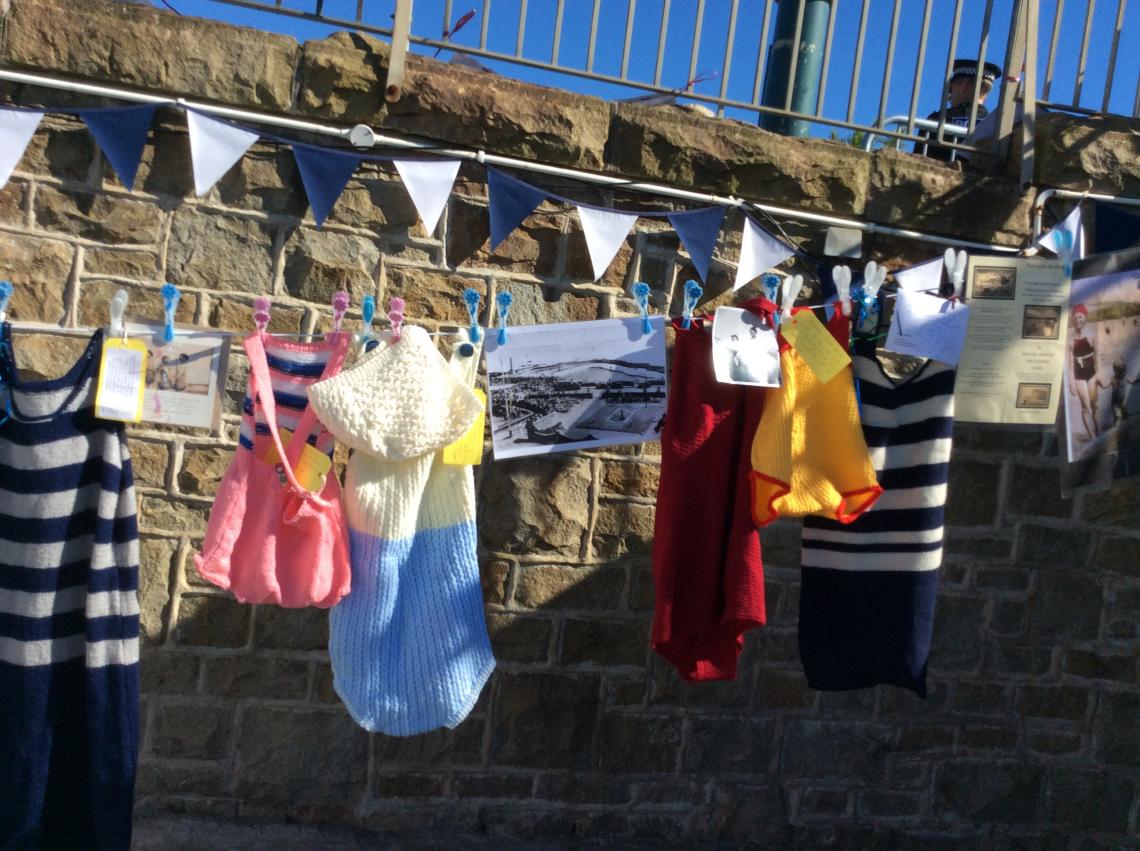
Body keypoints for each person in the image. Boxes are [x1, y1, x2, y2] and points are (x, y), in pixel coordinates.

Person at [915, 59, 1002, 162]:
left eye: (951, 89)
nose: (950, 95)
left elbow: (918, 157)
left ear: (964, 86)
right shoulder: (997, 124)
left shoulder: (937, 119)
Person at [1068, 303, 1101, 439]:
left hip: (1092, 373)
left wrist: (1099, 374)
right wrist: (1071, 382)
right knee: (1086, 407)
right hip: (1079, 376)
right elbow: (1070, 363)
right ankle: (1092, 436)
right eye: (1075, 319)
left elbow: (1097, 356)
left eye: (1080, 317)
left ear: (1085, 317)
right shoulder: (1070, 339)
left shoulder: (1092, 334)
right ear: (1072, 321)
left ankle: (1099, 431)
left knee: (1095, 406)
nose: (1078, 321)